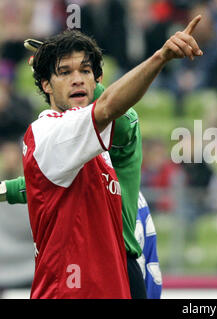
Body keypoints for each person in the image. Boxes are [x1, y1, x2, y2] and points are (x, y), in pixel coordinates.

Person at [17, 16, 203, 298]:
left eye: (85, 71)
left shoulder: (96, 149)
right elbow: (106, 108)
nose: (77, 78)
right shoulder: (49, 131)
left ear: (98, 79)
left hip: (112, 281)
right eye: (64, 72)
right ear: (46, 85)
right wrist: (161, 57)